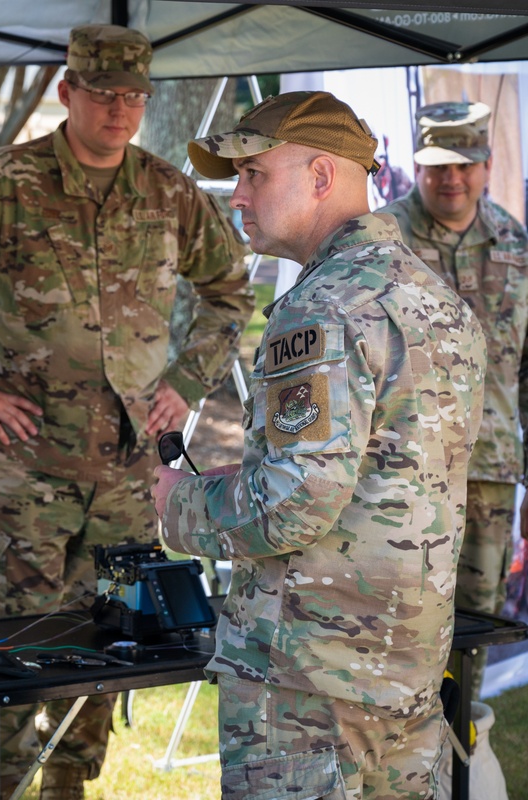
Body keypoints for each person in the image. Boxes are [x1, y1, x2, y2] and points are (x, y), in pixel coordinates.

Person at [0, 24, 253, 800]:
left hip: (128, 473)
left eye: (135, 96)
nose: (120, 110)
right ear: (67, 92)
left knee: (114, 644)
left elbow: (229, 289)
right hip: (27, 473)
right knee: (9, 649)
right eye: (104, 93)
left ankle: (68, 788)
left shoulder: (166, 190)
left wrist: (188, 378)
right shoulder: (1, 185)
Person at [153, 90, 487, 799]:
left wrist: (181, 504)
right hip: (406, 666)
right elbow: (389, 476)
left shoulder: (323, 305)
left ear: (321, 176)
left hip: (308, 684)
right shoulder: (436, 298)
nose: (237, 196)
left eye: (254, 175)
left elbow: (295, 502)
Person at [382, 101, 528, 701]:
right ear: (418, 167)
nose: (452, 179)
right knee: (400, 617)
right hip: (402, 476)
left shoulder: (514, 241)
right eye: (438, 166)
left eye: (465, 165)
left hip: (490, 471)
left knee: (476, 617)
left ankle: (461, 743)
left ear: (488, 166)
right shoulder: (382, 239)